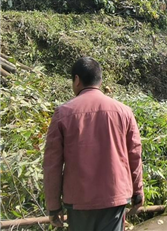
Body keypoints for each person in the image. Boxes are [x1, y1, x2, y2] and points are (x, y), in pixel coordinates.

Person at [43, 57, 143, 231]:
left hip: (79, 201)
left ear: (76, 80)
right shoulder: (124, 112)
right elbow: (134, 153)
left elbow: (52, 164)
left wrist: (53, 206)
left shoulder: (63, 113)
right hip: (115, 197)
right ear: (100, 80)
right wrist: (138, 191)